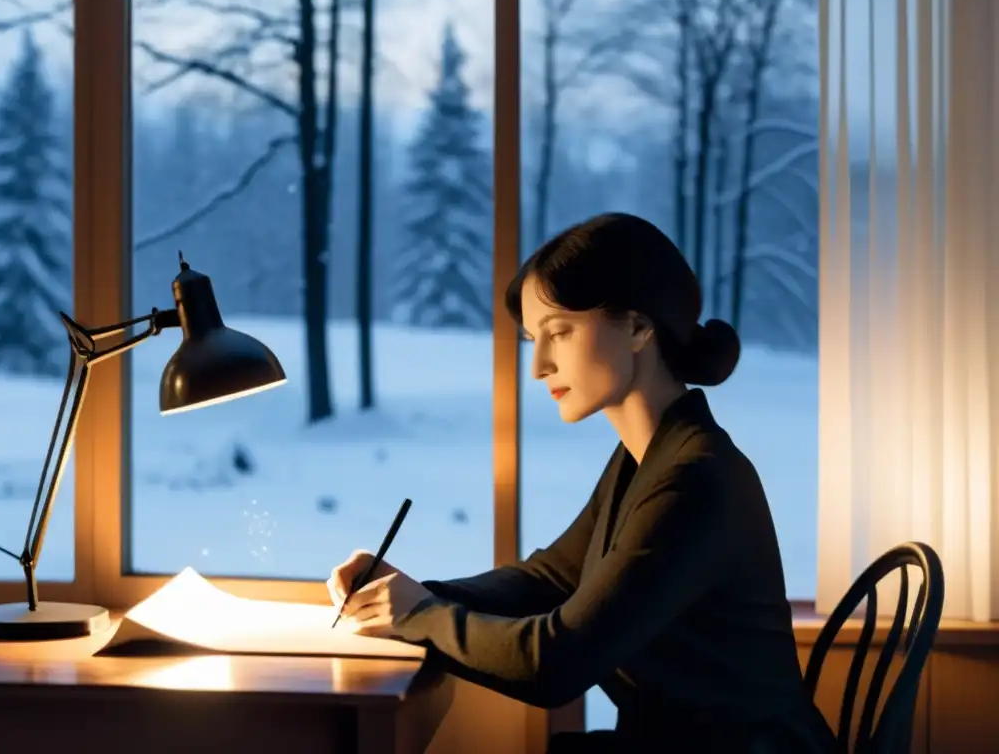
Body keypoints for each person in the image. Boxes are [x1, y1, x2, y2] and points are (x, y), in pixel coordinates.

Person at [328, 213, 840, 753]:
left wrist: (420, 614)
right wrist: (409, 592)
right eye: (533, 340)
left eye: (560, 333)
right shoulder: (646, 458)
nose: (540, 367)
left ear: (639, 327)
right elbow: (549, 578)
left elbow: (557, 663)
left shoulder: (695, 478)